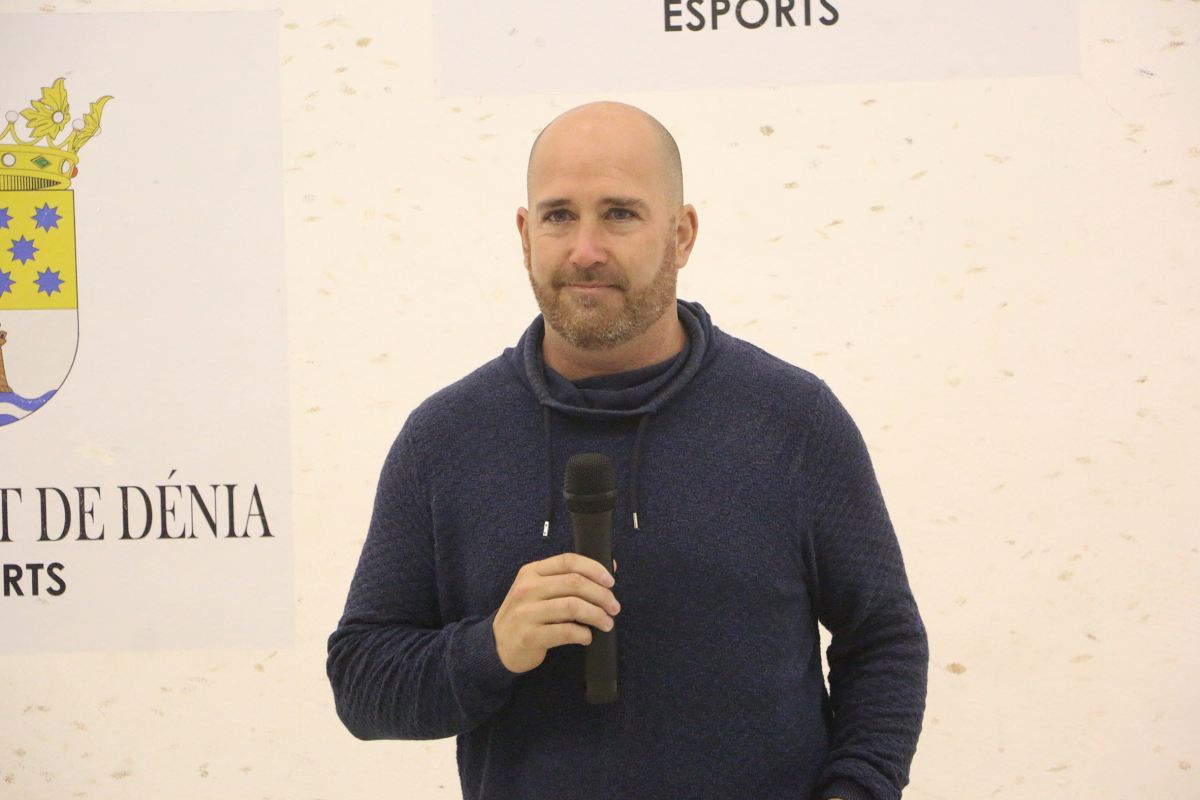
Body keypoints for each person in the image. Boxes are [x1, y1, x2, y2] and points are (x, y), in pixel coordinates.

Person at [327, 101, 928, 800]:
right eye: (559, 216)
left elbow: (883, 641)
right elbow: (363, 681)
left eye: (619, 213)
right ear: (524, 234)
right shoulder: (445, 438)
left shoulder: (792, 421)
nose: (586, 250)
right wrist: (491, 647)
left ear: (682, 233)